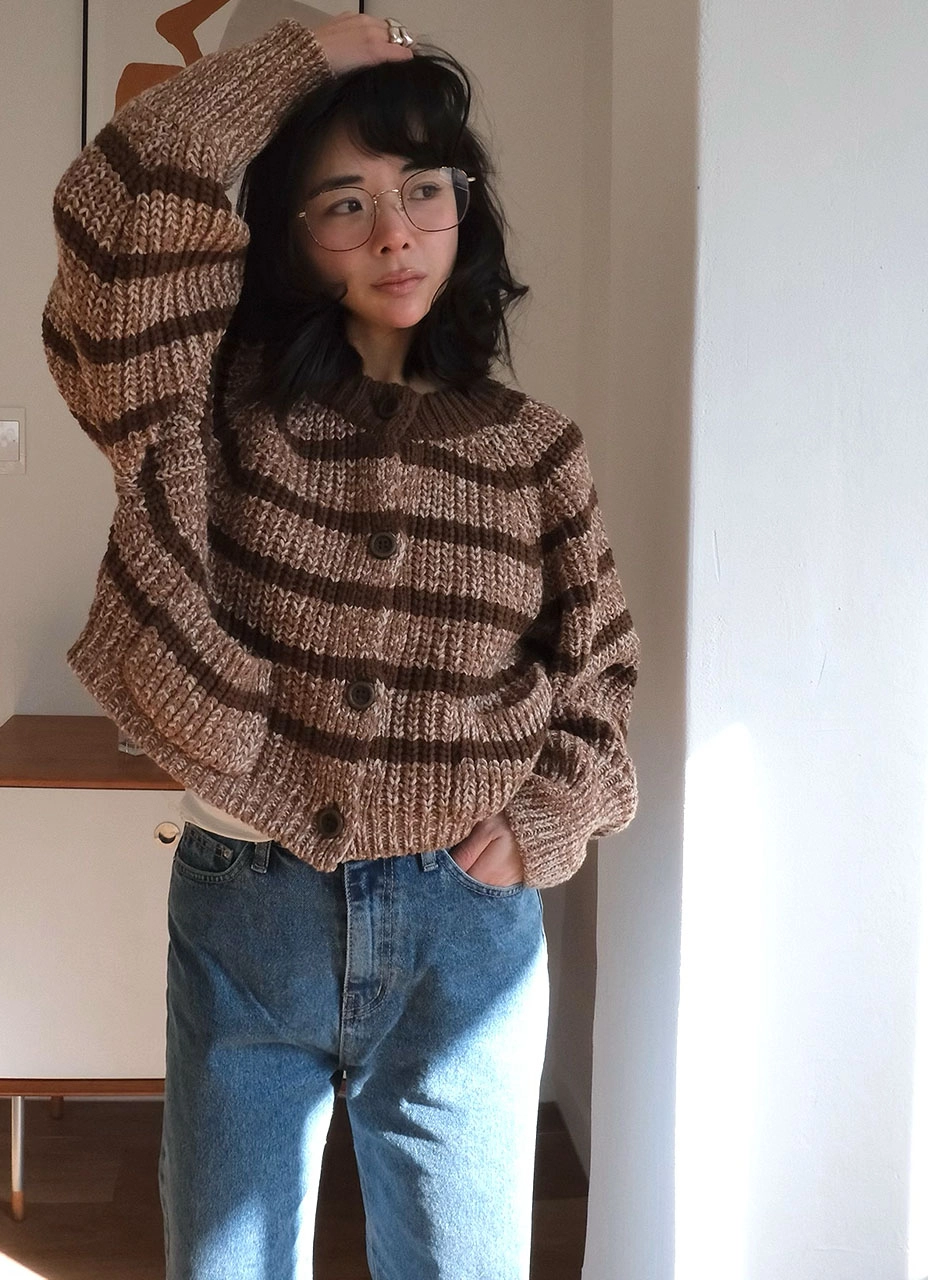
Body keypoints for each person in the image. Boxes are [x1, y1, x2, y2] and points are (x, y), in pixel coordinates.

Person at [42, 13, 640, 1279]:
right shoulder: (213, 405)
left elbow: (601, 674)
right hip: (247, 904)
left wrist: (546, 816)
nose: (395, 232)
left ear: (464, 203)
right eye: (344, 203)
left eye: (423, 188)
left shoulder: (536, 452)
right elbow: (120, 211)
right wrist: (302, 55)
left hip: (462, 926)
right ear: (291, 233)